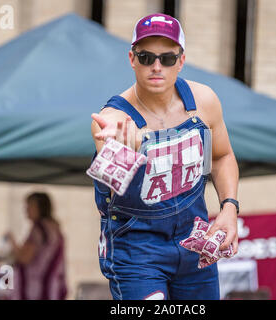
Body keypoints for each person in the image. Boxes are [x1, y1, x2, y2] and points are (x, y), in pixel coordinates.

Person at [90, 13, 239, 300]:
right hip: (137, 249)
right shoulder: (111, 120)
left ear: (181, 61)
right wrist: (125, 152)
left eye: (167, 58)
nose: (156, 67)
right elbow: (109, 194)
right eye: (146, 57)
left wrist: (229, 207)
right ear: (132, 59)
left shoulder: (204, 101)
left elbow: (222, 156)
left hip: (195, 240)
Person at [5, 192, 67, 300]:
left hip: (39, 289)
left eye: (29, 205)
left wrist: (12, 242)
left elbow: (24, 258)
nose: (26, 209)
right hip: (52, 286)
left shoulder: (39, 230)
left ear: (40, 207)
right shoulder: (54, 228)